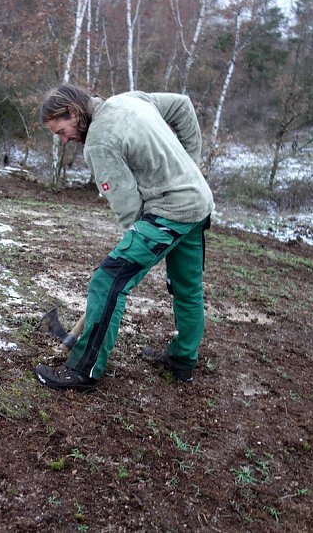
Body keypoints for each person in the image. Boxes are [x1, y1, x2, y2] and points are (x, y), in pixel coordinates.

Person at [34, 84, 214, 391]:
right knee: (187, 287)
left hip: (169, 211)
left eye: (61, 131)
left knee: (108, 281)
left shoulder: (99, 143)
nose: (64, 139)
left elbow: (128, 206)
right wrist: (190, 165)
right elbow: (183, 106)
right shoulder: (130, 99)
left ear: (74, 113)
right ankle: (183, 360)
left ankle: (83, 370)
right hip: (199, 202)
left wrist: (132, 243)